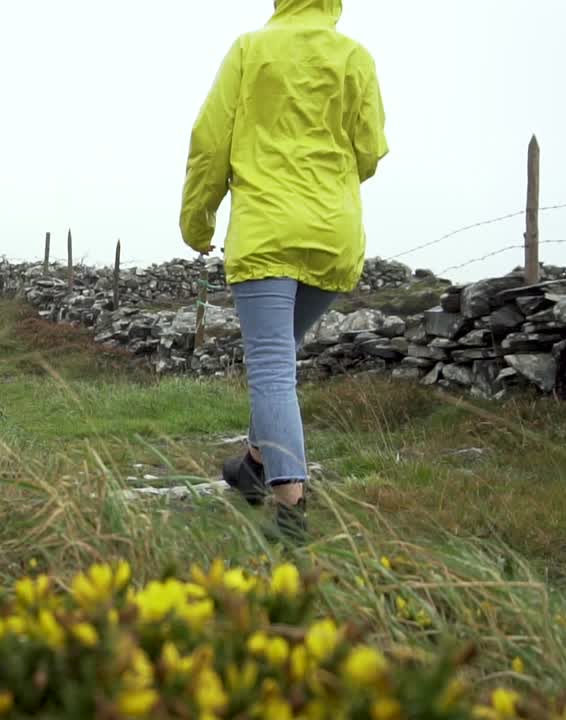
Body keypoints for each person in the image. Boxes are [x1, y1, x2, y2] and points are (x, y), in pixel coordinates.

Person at [178, 0, 388, 541]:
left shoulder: (251, 49)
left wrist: (197, 221)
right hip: (332, 236)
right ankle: (252, 464)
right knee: (281, 352)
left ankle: (291, 513)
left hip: (267, 232)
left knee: (272, 368)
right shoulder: (354, 57)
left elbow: (210, 142)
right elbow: (370, 152)